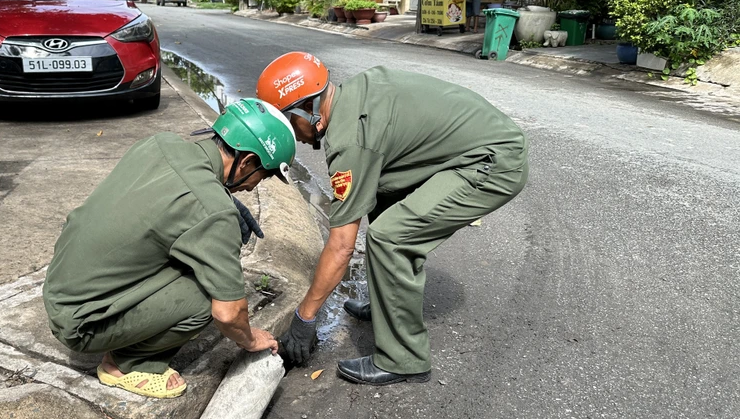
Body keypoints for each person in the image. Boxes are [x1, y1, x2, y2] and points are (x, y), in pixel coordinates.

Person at [256, 53, 528, 385]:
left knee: (390, 238)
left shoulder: (350, 139)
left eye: (287, 124)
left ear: (307, 109)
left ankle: (404, 358)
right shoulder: (351, 97)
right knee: (381, 196)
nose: (292, 137)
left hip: (492, 162)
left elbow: (341, 247)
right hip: (478, 145)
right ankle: (387, 307)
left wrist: (305, 317)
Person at [43, 99, 297, 399]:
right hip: (82, 324)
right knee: (209, 297)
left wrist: (219, 201)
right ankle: (125, 364)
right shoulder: (214, 212)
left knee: (195, 261)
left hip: (60, 289)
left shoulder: (160, 143)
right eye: (262, 176)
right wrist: (251, 339)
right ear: (247, 163)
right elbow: (228, 314)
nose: (253, 187)